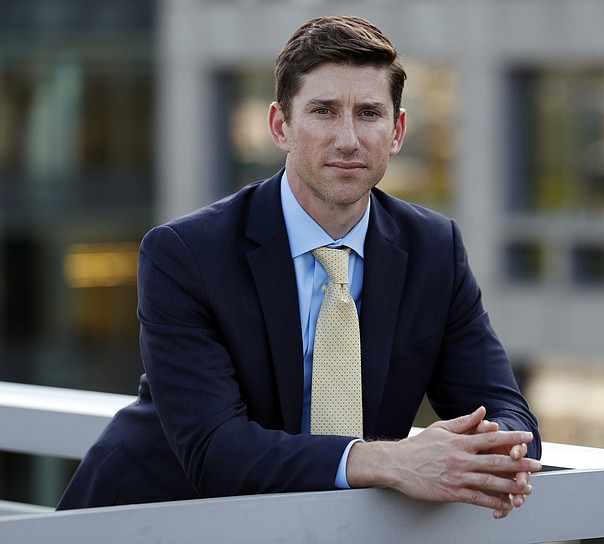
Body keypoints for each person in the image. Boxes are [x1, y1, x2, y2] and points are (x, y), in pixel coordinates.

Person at [58, 15, 542, 519]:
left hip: (322, 528)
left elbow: (510, 416)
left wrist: (486, 450)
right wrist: (392, 461)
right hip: (147, 521)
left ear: (396, 131)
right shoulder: (185, 254)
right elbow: (215, 450)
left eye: (369, 113)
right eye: (324, 111)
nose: (349, 139)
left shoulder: (434, 249)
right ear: (280, 126)